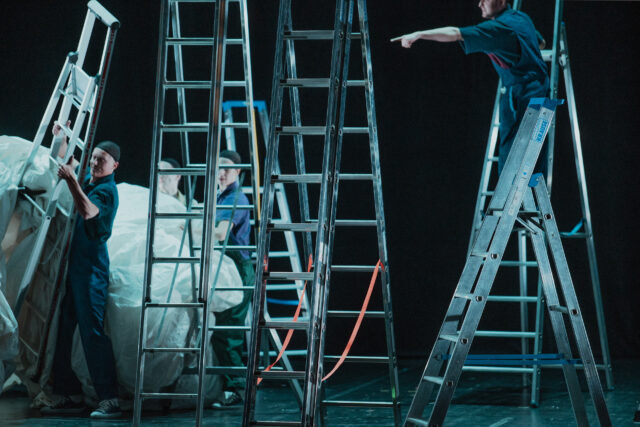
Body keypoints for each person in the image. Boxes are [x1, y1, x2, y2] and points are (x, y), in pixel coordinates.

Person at [392, 0, 549, 175]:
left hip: (522, 95)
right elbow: (540, 43)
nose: (480, 4)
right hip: (540, 89)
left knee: (513, 155)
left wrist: (419, 34)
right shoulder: (521, 18)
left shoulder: (498, 28)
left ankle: (515, 190)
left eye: (485, 0)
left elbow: (455, 33)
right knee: (534, 153)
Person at [41, 139, 122, 419]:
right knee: (64, 331)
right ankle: (69, 392)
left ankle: (109, 398)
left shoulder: (107, 191)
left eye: (102, 160)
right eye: (94, 158)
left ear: (114, 165)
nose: (95, 163)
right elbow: (72, 164)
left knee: (92, 333)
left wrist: (72, 181)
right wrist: (62, 140)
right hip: (75, 269)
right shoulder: (91, 180)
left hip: (91, 272)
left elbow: (88, 212)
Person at [211, 150, 254, 408]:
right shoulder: (220, 196)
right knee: (222, 328)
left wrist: (192, 227)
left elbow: (220, 233)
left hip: (237, 268)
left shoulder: (235, 197)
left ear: (238, 171)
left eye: (227, 168)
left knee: (229, 329)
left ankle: (235, 388)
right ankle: (228, 384)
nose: (222, 172)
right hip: (225, 266)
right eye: (219, 167)